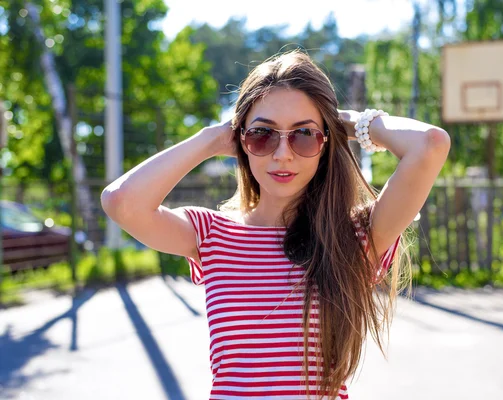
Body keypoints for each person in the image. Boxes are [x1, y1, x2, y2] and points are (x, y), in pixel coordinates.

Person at [101, 49, 451, 400]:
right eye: (262, 135)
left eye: (304, 135)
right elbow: (121, 202)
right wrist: (209, 140)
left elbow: (430, 144)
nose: (282, 154)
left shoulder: (355, 235)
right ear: (241, 139)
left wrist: (348, 122)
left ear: (326, 142)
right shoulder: (210, 233)